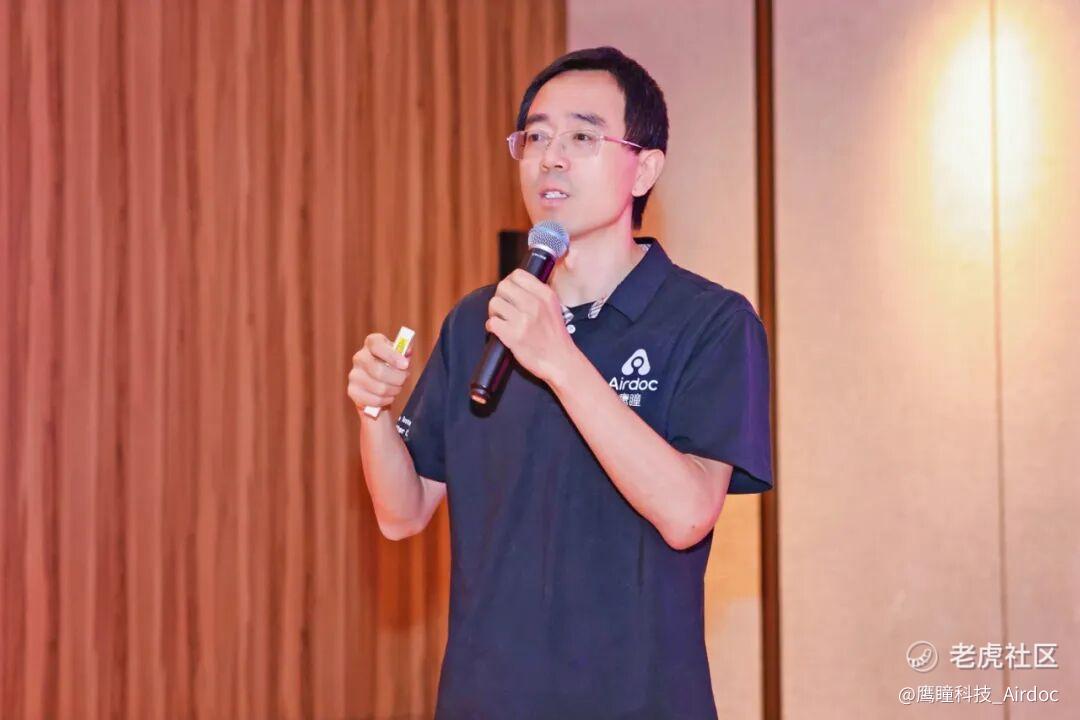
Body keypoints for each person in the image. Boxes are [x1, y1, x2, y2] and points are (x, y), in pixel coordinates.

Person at [347, 46, 773, 720]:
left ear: (645, 168)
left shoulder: (709, 321)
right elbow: (402, 514)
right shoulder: (479, 321)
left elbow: (689, 512)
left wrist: (561, 360)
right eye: (536, 137)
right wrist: (373, 413)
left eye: (582, 137)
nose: (551, 157)